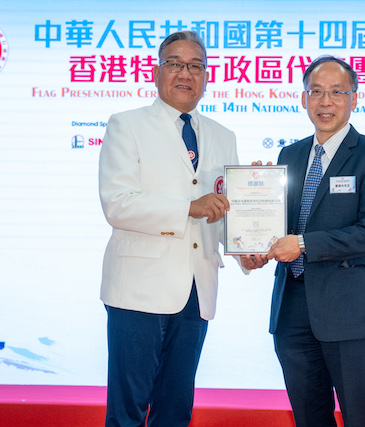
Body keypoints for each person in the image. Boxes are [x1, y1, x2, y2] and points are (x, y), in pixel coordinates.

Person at [98, 31, 240, 426]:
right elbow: (117, 204)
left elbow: (224, 210)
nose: (185, 73)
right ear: (157, 71)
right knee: (128, 410)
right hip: (138, 288)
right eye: (175, 64)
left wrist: (247, 247)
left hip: (196, 291)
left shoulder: (223, 136)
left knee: (176, 411)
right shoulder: (126, 125)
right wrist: (188, 208)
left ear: (207, 77)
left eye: (195, 66)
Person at [259, 56, 365, 427]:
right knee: (308, 417)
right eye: (316, 92)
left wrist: (303, 244)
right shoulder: (289, 154)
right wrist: (254, 240)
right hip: (292, 308)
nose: (325, 102)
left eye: (337, 92)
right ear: (303, 98)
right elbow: (282, 226)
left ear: (354, 99)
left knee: (358, 417)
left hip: (348, 310)